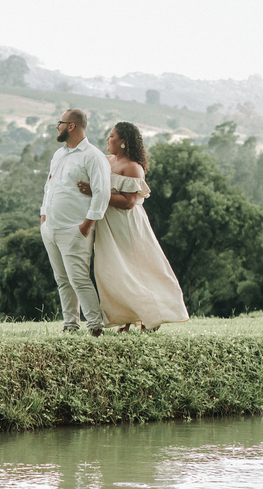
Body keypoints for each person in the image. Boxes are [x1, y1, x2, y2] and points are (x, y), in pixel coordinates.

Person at [76, 121, 188, 332]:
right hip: (108, 227)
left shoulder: (133, 168)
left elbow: (129, 202)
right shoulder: (106, 161)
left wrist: (97, 193)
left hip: (127, 226)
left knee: (135, 270)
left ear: (124, 142)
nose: (108, 139)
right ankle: (127, 319)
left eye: (112, 136)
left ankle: (150, 317)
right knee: (114, 272)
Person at [40, 109, 111, 335]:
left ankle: (95, 326)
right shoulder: (58, 154)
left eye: (60, 123)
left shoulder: (93, 156)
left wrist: (86, 225)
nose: (57, 127)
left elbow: (102, 194)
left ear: (71, 126)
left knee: (79, 279)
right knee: (62, 280)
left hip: (75, 228)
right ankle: (70, 325)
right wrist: (43, 217)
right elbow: (48, 187)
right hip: (50, 227)